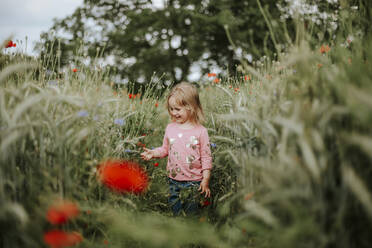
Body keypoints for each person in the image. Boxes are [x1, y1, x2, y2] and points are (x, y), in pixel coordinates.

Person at [141, 82, 212, 216]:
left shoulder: (201, 131)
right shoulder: (170, 128)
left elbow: (206, 157)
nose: (174, 113)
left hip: (194, 182)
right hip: (173, 180)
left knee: (191, 213)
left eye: (177, 109)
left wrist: (205, 179)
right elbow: (165, 149)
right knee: (176, 212)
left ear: (191, 107)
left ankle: (190, 234)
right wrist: (153, 153)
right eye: (171, 109)